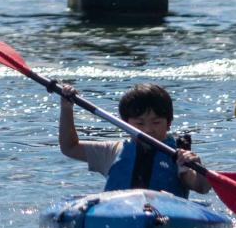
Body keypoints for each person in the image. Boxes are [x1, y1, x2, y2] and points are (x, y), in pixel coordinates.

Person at [59, 83, 211, 198]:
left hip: (164, 218)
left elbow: (202, 187)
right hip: (119, 214)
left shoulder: (179, 156)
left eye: (156, 122)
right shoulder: (113, 151)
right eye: (140, 123)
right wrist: (66, 109)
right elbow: (69, 147)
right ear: (125, 124)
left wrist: (198, 166)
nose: (148, 129)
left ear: (169, 123)